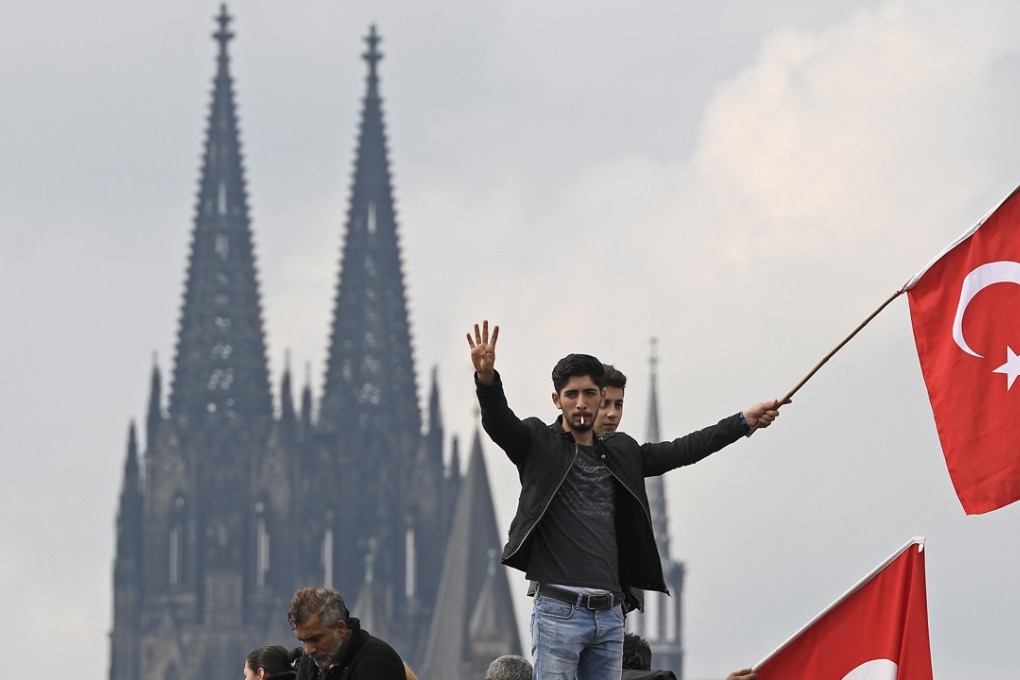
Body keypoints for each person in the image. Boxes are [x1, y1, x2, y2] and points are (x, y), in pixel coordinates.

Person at [466, 320, 781, 680]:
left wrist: (742, 423)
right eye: (571, 394)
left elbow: (682, 450)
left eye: (589, 394)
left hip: (609, 613)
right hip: (558, 610)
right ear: (557, 400)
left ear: (601, 397)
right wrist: (488, 380)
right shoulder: (540, 444)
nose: (581, 403)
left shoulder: (621, 453)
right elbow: (500, 424)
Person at [288, 586, 406, 680]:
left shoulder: (376, 662)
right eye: (302, 641)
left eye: (315, 639)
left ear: (341, 628)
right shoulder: (310, 659)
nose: (308, 650)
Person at [594, 364, 626, 435]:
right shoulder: (564, 445)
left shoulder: (626, 445)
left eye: (618, 405)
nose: (613, 413)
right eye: (604, 403)